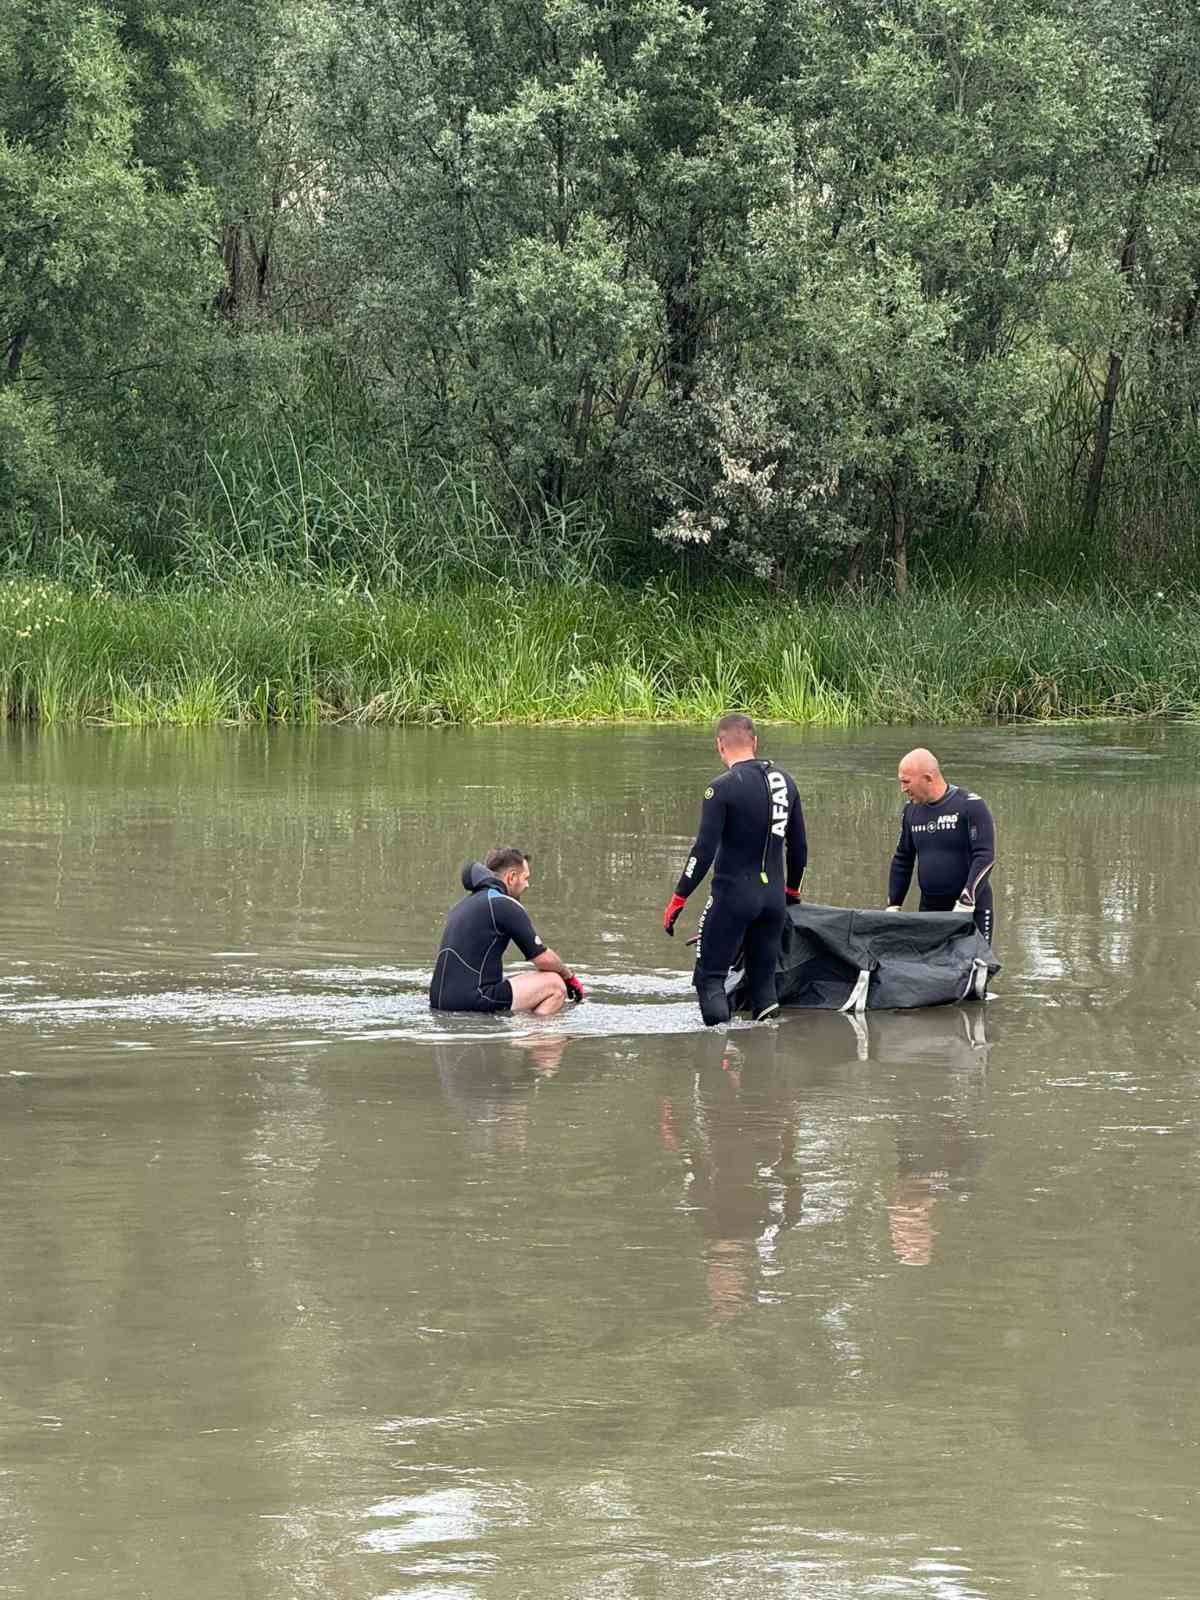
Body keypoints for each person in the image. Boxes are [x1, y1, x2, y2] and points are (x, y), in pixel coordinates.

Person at [662, 713, 807, 1026]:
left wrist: (679, 897)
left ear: (719, 745)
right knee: (763, 987)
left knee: (709, 979)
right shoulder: (785, 782)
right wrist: (791, 891)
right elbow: (800, 848)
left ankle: (717, 1062)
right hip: (773, 901)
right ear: (754, 742)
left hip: (733, 896)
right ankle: (766, 1060)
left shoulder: (721, 788)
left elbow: (703, 851)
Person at [430, 849, 584, 1015]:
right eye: (526, 878)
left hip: (439, 1000)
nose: (527, 885)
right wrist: (569, 977)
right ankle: (536, 1036)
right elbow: (543, 959)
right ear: (512, 877)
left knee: (523, 977)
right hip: (471, 999)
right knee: (555, 984)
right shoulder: (504, 904)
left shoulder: (461, 905)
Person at [885, 748, 996, 943]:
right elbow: (903, 859)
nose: (902, 788)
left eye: (906, 781)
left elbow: (985, 856)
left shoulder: (970, 805)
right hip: (930, 911)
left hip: (970, 910)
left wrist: (967, 899)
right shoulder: (911, 811)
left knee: (973, 972)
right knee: (928, 971)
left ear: (928, 778)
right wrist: (894, 904)